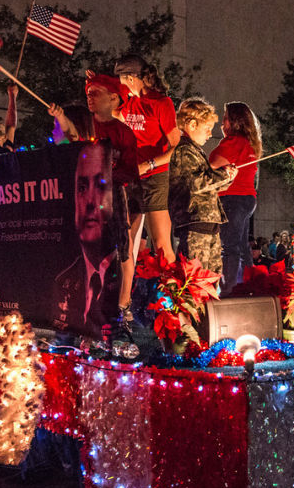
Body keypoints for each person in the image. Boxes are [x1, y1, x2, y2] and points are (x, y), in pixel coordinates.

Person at [51, 74, 141, 325]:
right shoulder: (84, 125)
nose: (90, 97)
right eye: (88, 93)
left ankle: (119, 306)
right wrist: (60, 118)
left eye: (96, 93)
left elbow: (131, 171)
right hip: (85, 201)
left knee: (119, 251)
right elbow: (68, 138)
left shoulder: (123, 133)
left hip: (113, 199)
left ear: (114, 98)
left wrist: (107, 174)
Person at [113, 54, 180, 263]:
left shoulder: (161, 103)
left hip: (155, 178)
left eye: (121, 80)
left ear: (131, 78)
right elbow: (108, 112)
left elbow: (177, 148)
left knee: (161, 244)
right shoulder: (128, 103)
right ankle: (127, 292)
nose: (120, 85)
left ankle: (175, 293)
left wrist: (149, 164)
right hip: (132, 178)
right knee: (127, 243)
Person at [51, 140, 120, 337]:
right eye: (82, 187)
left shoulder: (122, 275)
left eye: (100, 185)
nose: (90, 201)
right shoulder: (63, 281)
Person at [168, 98, 237, 274]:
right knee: (195, 277)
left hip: (208, 223)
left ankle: (208, 302)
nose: (209, 135)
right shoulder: (184, 151)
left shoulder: (195, 152)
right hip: (195, 223)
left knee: (212, 275)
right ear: (192, 125)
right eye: (207, 129)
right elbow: (197, 183)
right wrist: (223, 175)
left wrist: (226, 177)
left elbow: (208, 183)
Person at [209, 102, 261, 293]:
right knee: (241, 246)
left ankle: (228, 290)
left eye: (225, 119)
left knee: (229, 246)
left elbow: (211, 165)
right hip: (246, 198)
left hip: (232, 197)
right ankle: (250, 286)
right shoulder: (248, 144)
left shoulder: (233, 142)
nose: (222, 124)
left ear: (234, 122)